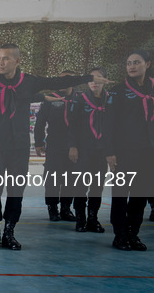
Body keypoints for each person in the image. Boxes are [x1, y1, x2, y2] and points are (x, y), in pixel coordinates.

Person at [0, 43, 111, 250]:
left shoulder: (29, 82)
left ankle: (9, 232)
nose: (1, 63)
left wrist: (88, 78)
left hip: (19, 148)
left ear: (17, 60)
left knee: (15, 191)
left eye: (6, 59)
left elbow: (57, 81)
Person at [106, 50, 154, 251]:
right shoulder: (117, 91)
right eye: (128, 63)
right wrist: (110, 152)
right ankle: (120, 235)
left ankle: (133, 233)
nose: (132, 66)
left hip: (148, 151)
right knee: (120, 194)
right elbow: (108, 123)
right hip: (123, 152)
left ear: (147, 64)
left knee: (140, 195)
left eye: (136, 62)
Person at [68, 68, 108, 234]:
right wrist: (73, 146)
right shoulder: (80, 99)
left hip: (102, 150)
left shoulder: (111, 99)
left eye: (98, 79)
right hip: (83, 150)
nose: (94, 82)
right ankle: (80, 219)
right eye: (91, 79)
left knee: (97, 187)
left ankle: (93, 218)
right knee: (80, 186)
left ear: (105, 80)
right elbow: (71, 125)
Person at [34, 71, 78, 222]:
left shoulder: (80, 98)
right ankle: (52, 208)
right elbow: (40, 122)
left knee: (70, 178)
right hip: (55, 144)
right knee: (52, 178)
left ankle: (66, 208)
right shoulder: (50, 98)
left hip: (75, 146)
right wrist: (39, 142)